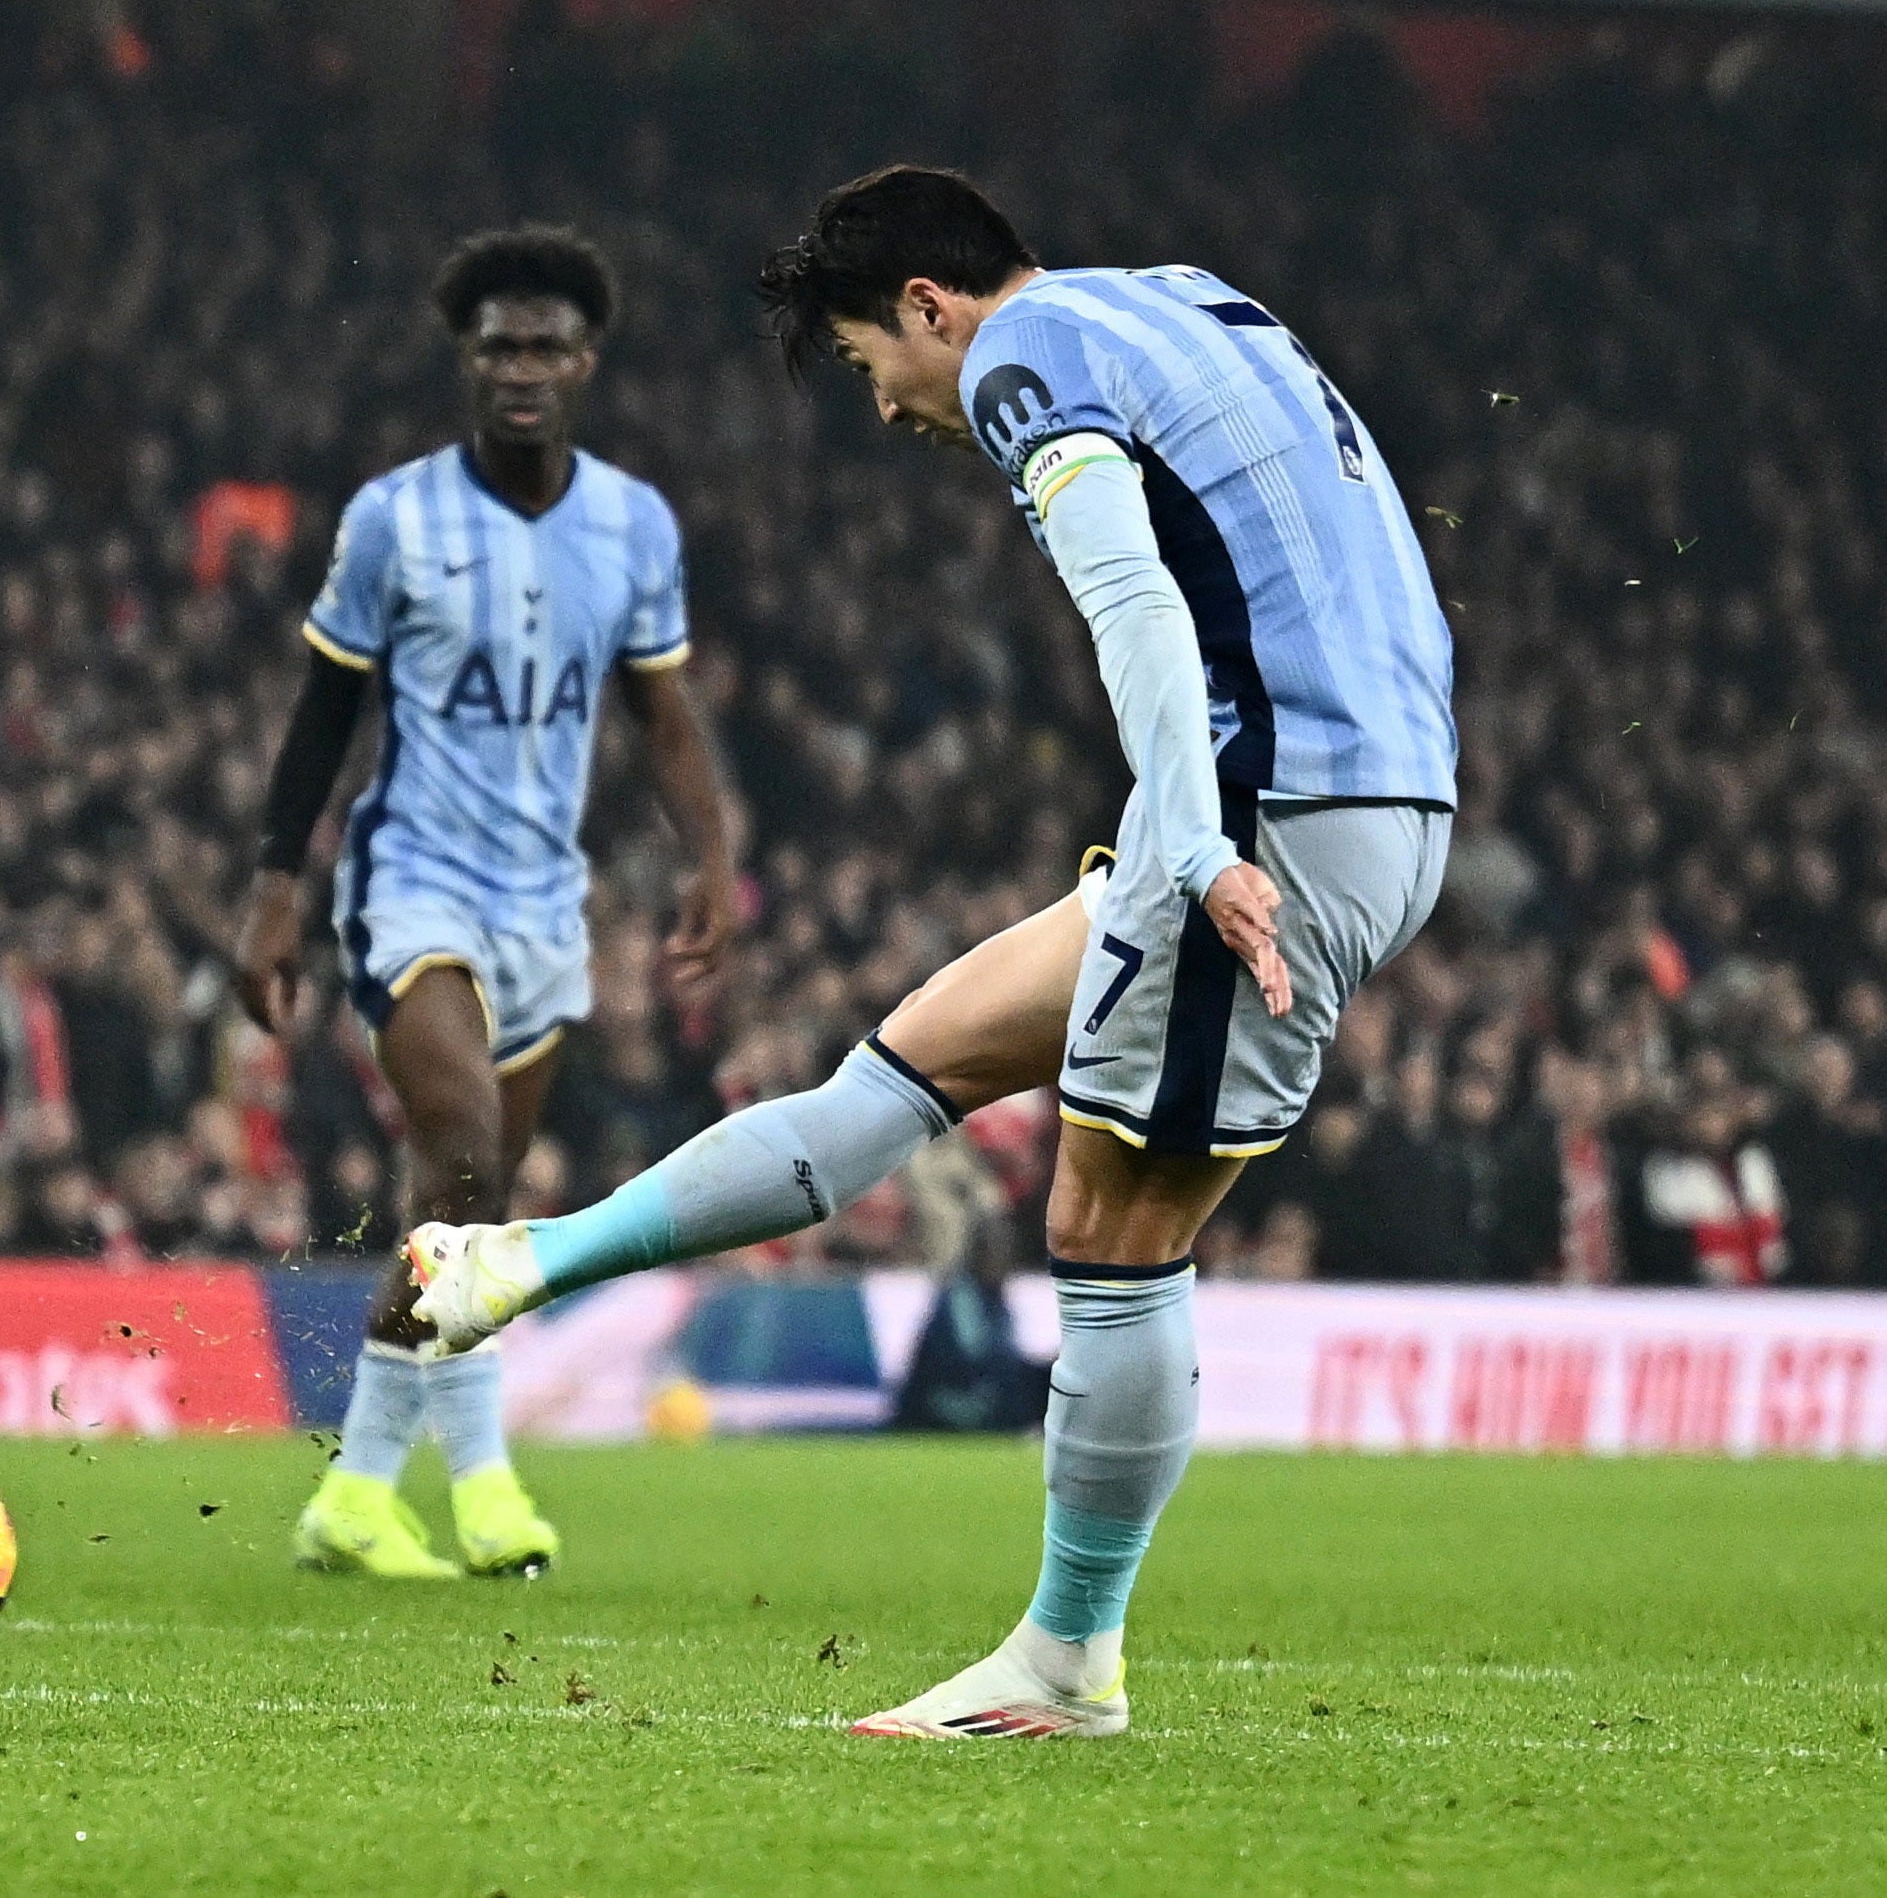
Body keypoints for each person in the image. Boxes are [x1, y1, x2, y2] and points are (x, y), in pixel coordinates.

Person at [407, 167, 1455, 1732]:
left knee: (1114, 1226)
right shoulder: (1177, 294)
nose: (886, 406)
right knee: (912, 1061)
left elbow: (1134, 602)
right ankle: (527, 1262)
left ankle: (1064, 1660)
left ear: (926, 306)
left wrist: (1192, 844)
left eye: (863, 364)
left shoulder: (1031, 363)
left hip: (1268, 801)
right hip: (1358, 773)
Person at [234, 226, 736, 1579]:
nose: (519, 367)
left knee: (462, 1214)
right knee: (460, 1155)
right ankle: (489, 1483)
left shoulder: (632, 524)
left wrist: (711, 857)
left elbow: (662, 712)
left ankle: (353, 1498)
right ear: (467, 358)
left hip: (542, 909)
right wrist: (275, 890)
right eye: (497, 345)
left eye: (545, 346)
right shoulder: (393, 518)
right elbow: (323, 706)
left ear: (585, 361)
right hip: (412, 884)